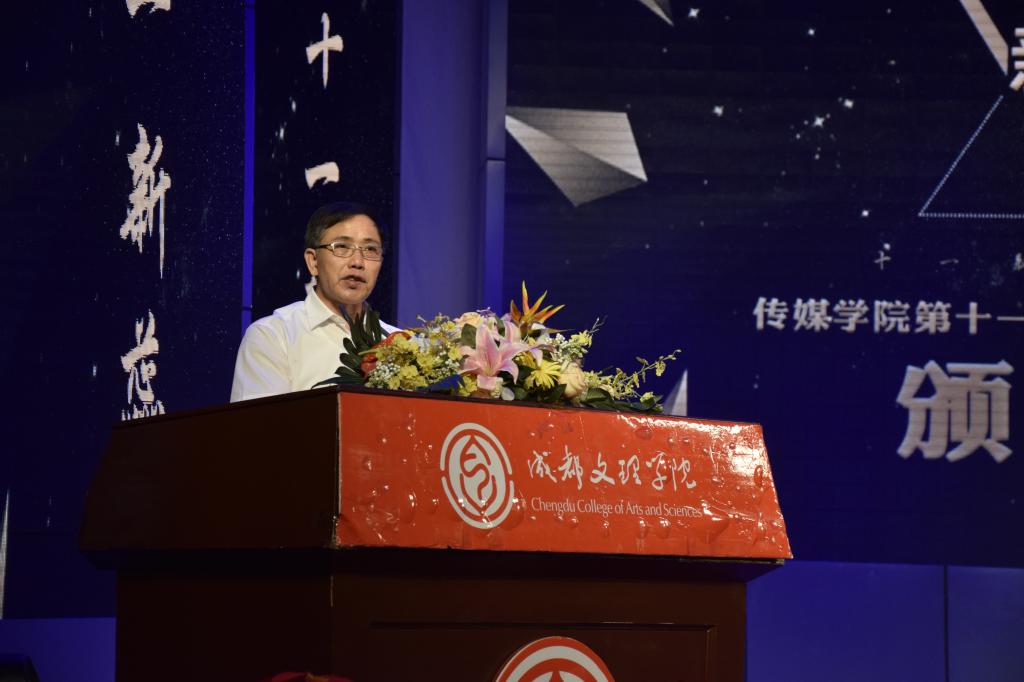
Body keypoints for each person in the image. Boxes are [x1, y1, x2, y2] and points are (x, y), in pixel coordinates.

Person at [230, 202, 400, 402]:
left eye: (370, 249)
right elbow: (260, 421)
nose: (357, 262)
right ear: (313, 261)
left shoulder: (402, 343)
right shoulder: (273, 337)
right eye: (342, 247)